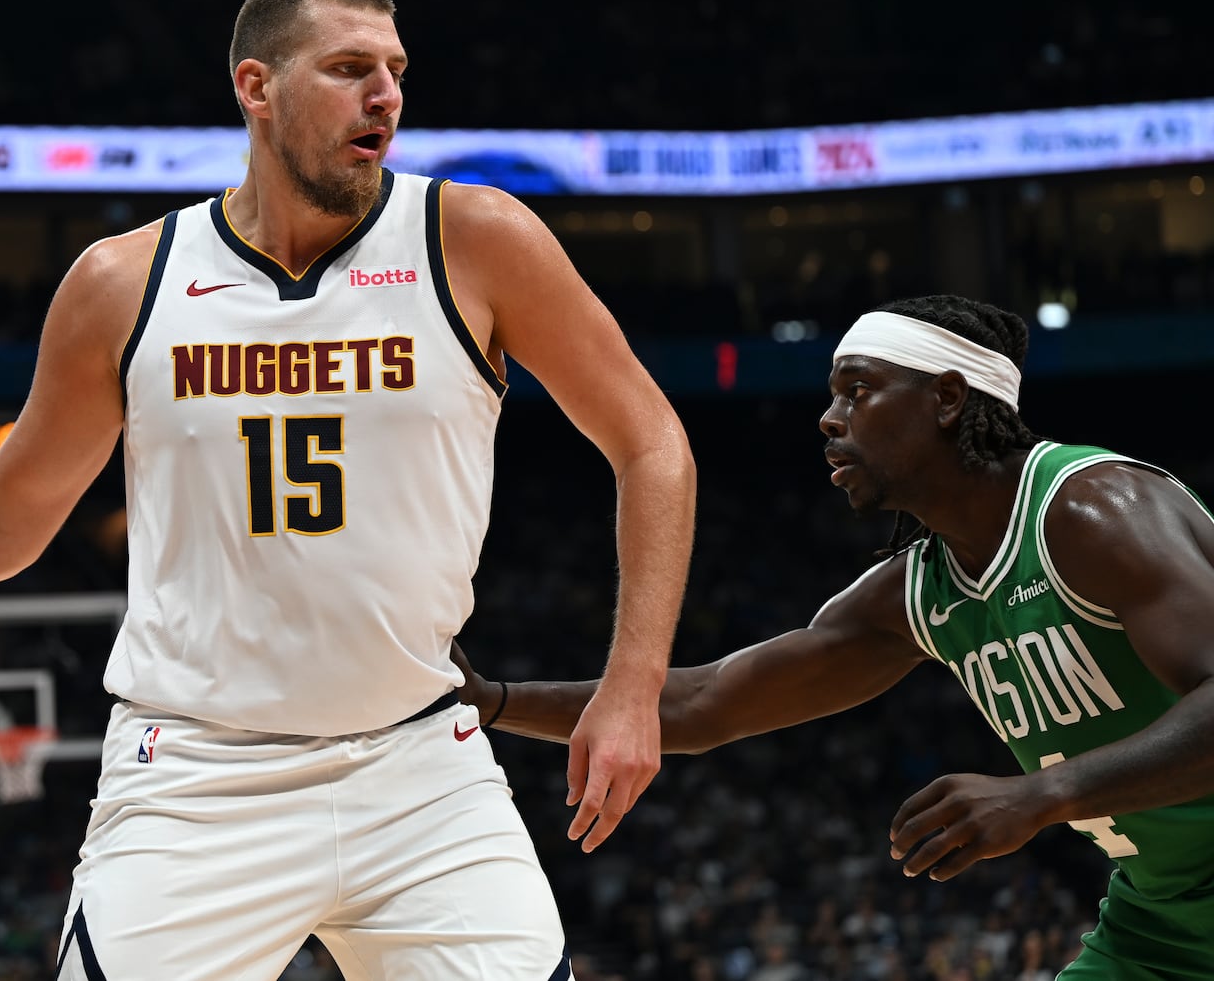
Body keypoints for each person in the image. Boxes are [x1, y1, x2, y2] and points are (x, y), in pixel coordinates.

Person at [0, 0, 697, 980]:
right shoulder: (125, 281)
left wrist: (633, 683)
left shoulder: (474, 238)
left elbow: (649, 442)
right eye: (347, 67)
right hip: (197, 775)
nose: (385, 94)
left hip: (418, 762)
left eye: (396, 69)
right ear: (256, 86)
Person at [454, 294, 1214, 979]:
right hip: (1158, 925)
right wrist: (492, 701)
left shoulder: (1092, 510)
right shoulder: (920, 590)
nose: (828, 417)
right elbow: (708, 701)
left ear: (947, 398)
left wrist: (1045, 793)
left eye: (858, 389)